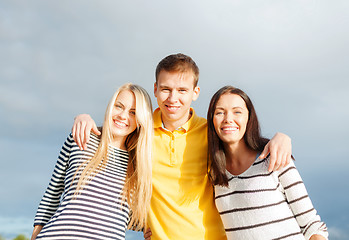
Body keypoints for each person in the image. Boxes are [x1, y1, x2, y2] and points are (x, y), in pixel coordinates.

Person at [72, 53, 293, 240]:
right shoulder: (140, 132)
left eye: (182, 90)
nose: (173, 98)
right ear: (156, 89)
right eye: (166, 89)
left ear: (195, 93)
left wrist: (281, 137)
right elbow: (114, 131)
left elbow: (245, 144)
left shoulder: (212, 133)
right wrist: (84, 118)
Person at [31, 83, 153, 240]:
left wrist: (150, 229)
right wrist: (34, 236)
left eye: (133, 113)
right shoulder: (82, 138)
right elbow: (52, 195)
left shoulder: (139, 165)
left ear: (141, 121)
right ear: (110, 106)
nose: (123, 116)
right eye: (119, 106)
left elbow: (129, 218)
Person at [207, 85, 328, 240]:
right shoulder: (213, 172)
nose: (228, 119)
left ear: (249, 118)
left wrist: (283, 136)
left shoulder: (275, 157)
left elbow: (312, 225)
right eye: (220, 112)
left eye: (237, 112)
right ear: (211, 119)